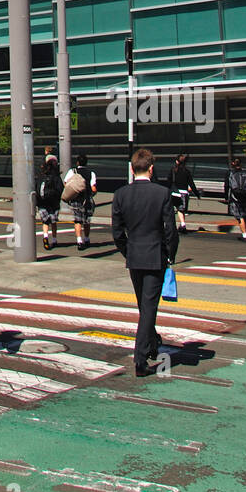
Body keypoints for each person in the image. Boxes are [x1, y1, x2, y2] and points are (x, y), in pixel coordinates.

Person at [111, 147, 179, 377]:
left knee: (144, 305)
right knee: (149, 307)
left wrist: (126, 250)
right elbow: (170, 229)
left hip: (134, 256)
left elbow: (117, 232)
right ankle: (140, 358)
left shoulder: (120, 194)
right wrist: (170, 254)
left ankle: (151, 343)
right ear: (151, 168)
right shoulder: (162, 193)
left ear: (132, 169)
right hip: (155, 256)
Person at [64, 152, 96, 249]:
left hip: (76, 198)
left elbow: (66, 183)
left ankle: (79, 240)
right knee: (87, 220)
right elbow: (93, 188)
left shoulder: (72, 171)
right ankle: (86, 238)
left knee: (77, 220)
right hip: (87, 198)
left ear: (77, 162)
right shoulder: (91, 173)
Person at [166, 151, 200, 234]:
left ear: (177, 161)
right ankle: (182, 224)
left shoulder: (173, 170)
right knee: (181, 210)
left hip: (175, 192)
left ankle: (180, 224)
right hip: (184, 193)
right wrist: (197, 194)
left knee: (177, 209)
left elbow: (169, 182)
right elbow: (191, 184)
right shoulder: (187, 172)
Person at [37, 154, 63, 249]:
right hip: (53, 203)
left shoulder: (41, 174)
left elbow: (37, 187)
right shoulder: (56, 176)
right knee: (53, 221)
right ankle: (54, 239)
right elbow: (60, 189)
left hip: (42, 202)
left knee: (45, 221)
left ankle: (45, 237)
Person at [225, 156, 246, 241]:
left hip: (235, 196)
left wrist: (226, 196)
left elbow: (226, 185)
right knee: (245, 215)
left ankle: (244, 234)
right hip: (245, 195)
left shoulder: (230, 173)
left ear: (233, 163)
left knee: (240, 216)